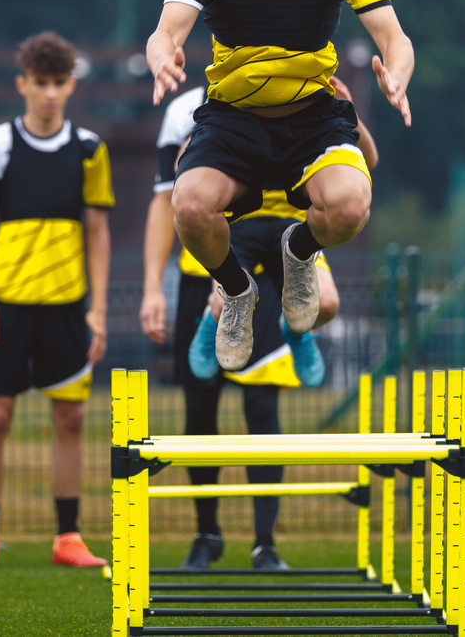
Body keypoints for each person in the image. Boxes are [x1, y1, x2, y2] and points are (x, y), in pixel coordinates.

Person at [145, 0, 414, 373]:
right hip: (234, 118)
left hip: (312, 116)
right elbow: (167, 29)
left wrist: (397, 70)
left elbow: (393, 35)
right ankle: (236, 293)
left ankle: (298, 252)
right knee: (189, 206)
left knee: (348, 207)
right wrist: (162, 53)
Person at [140, 77, 378, 570]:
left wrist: (350, 108)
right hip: (238, 231)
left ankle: (299, 332)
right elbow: (177, 189)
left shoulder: (316, 94)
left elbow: (362, 162)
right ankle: (207, 534)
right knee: (220, 307)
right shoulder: (210, 104)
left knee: (322, 309)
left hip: (289, 235)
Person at [0, 32, 113, 571]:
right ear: (22, 84)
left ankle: (67, 536)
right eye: (40, 83)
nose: (49, 93)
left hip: (69, 303)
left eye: (58, 83)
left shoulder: (91, 148)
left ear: (71, 85)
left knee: (71, 419)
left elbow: (98, 232)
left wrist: (96, 308)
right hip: (7, 301)